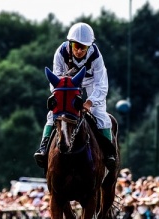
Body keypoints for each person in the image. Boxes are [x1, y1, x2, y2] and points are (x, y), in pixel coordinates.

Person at [34, 22, 116, 170]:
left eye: (82, 47)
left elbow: (101, 85)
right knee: (53, 115)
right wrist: (59, 96)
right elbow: (56, 79)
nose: (78, 50)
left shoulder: (96, 56)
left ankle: (109, 154)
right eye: (75, 46)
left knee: (101, 116)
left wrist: (89, 103)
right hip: (68, 84)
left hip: (92, 83)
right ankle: (43, 148)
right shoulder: (60, 52)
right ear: (70, 43)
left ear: (89, 46)